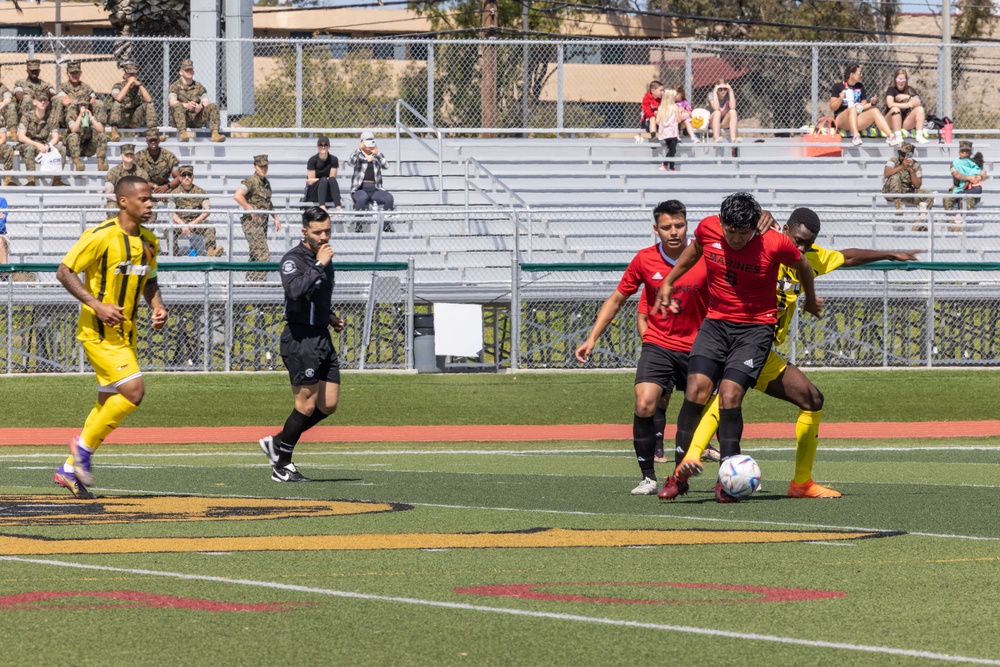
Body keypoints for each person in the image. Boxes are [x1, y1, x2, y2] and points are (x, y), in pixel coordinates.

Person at [677, 207, 923, 498]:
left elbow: (848, 256)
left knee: (811, 399)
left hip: (762, 347)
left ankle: (801, 483)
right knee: (725, 398)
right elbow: (742, 224)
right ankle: (685, 465)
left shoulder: (809, 259)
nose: (802, 247)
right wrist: (761, 213)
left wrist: (889, 254)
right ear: (784, 231)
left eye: (808, 242)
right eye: (798, 239)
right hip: (736, 336)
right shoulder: (764, 245)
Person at [653, 192, 821, 503]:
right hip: (716, 323)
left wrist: (810, 300)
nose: (736, 238)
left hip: (755, 329)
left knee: (730, 395)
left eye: (743, 232)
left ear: (754, 227)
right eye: (731, 231)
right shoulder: (708, 228)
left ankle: (726, 481)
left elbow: (805, 268)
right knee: (695, 390)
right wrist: (669, 281)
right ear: (722, 223)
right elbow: (693, 252)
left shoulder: (774, 243)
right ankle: (677, 475)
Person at [574, 200, 708, 495]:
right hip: (658, 342)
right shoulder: (644, 259)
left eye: (679, 226)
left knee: (710, 410)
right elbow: (617, 299)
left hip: (699, 345)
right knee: (644, 402)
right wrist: (592, 337)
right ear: (655, 229)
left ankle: (693, 471)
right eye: (666, 227)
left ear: (688, 224)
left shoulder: (705, 256)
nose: (673, 232)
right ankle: (648, 477)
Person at [53, 175, 166, 498]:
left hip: (125, 334)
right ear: (123, 202)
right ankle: (83, 450)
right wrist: (96, 304)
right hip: (98, 332)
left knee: (107, 406)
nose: (149, 204)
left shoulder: (149, 241)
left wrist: (157, 307)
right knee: (134, 392)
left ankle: (69, 469)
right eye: (143, 199)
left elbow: (149, 282)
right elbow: (64, 271)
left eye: (151, 199)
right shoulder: (100, 236)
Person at [258, 206, 346, 482]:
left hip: (321, 336)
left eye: (327, 231)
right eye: (317, 231)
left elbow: (316, 298)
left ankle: (277, 442)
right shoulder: (293, 259)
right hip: (300, 338)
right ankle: (282, 466)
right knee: (305, 405)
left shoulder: (325, 257)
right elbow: (294, 291)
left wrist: (329, 317)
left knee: (328, 404)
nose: (323, 236)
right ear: (304, 232)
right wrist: (319, 264)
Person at [233, 154, 282, 281]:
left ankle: (249, 288)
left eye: (265, 166)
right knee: (263, 255)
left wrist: (275, 217)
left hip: (262, 223)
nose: (263, 169)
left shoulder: (266, 183)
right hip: (252, 223)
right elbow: (238, 196)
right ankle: (258, 287)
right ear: (255, 167)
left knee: (255, 256)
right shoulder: (251, 181)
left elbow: (267, 202)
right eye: (260, 166)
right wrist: (250, 209)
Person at [830, 64, 900, 148]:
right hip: (841, 120)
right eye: (859, 73)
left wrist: (871, 104)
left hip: (856, 118)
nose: (861, 75)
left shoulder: (860, 87)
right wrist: (840, 98)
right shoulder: (838, 86)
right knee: (852, 109)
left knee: (875, 111)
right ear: (852, 74)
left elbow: (862, 107)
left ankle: (891, 136)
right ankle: (856, 136)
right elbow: (832, 107)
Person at [170, 164, 224, 257]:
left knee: (209, 226)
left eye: (189, 175)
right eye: (184, 175)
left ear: (193, 177)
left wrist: (193, 223)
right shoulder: (174, 193)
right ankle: (174, 253)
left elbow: (207, 210)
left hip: (196, 221)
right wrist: (183, 225)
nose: (187, 177)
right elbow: (171, 212)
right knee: (168, 229)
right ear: (180, 178)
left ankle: (211, 252)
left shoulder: (200, 192)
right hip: (180, 222)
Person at [168, 59, 226, 143]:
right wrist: (186, 105)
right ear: (181, 72)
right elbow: (172, 102)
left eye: (190, 69)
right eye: (186, 70)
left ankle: (215, 134)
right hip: (182, 118)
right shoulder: (175, 86)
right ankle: (183, 134)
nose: (189, 71)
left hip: (196, 118)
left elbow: (206, 101)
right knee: (178, 106)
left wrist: (201, 106)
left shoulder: (199, 86)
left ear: (193, 71)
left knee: (214, 106)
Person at [348, 131, 394, 232]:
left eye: (371, 141)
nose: (369, 144)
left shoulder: (376, 156)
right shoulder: (358, 154)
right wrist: (358, 149)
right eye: (367, 141)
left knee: (389, 198)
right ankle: (358, 225)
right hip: (359, 189)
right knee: (362, 198)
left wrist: (377, 154)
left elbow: (386, 166)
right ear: (362, 142)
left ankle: (386, 225)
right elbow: (351, 163)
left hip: (375, 189)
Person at [18, 93, 67, 187]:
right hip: (29, 144)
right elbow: (21, 137)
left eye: (45, 100)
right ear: (34, 102)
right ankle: (31, 180)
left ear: (48, 103)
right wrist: (36, 144)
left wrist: (48, 145)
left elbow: (55, 137)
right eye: (40, 100)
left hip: (44, 145)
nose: (43, 102)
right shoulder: (27, 117)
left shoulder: (51, 118)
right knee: (30, 148)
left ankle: (57, 180)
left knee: (62, 149)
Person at [882, 141, 933, 230]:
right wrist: (902, 166)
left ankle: (919, 222)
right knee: (895, 177)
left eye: (905, 155)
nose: (902, 156)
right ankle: (898, 207)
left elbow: (917, 186)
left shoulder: (916, 165)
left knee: (928, 195)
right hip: (890, 191)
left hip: (906, 191)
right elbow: (886, 174)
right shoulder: (894, 160)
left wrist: (911, 170)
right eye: (901, 154)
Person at [109, 62, 157, 142]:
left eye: (134, 75)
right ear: (125, 76)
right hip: (121, 119)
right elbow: (119, 98)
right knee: (117, 103)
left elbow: (149, 100)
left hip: (134, 119)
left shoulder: (139, 87)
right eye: (130, 75)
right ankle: (114, 133)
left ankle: (154, 133)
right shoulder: (117, 86)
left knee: (149, 105)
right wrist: (128, 84)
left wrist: (140, 85)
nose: (133, 77)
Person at [943, 140, 987, 219]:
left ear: (970, 152)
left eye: (967, 151)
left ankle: (960, 222)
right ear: (959, 152)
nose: (964, 153)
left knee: (964, 204)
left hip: (972, 187)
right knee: (946, 200)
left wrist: (979, 177)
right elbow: (956, 174)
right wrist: (969, 178)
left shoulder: (975, 162)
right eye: (962, 151)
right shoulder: (955, 162)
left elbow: (983, 174)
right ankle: (951, 222)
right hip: (958, 186)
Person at [56, 61, 107, 130]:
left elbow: (92, 100)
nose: (74, 75)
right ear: (67, 74)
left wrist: (72, 100)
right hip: (69, 116)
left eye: (76, 72)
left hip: (85, 113)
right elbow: (64, 102)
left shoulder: (86, 87)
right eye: (72, 73)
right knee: (70, 105)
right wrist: (82, 101)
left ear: (80, 73)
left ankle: (100, 127)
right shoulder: (63, 87)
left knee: (99, 103)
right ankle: (59, 128)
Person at [885, 68, 929, 145]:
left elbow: (918, 103)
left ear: (906, 80)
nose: (901, 82)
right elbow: (890, 104)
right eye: (899, 79)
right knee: (895, 109)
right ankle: (898, 137)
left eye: (903, 79)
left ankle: (919, 135)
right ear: (895, 80)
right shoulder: (891, 89)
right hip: (891, 120)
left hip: (905, 121)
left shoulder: (910, 90)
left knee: (920, 109)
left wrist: (907, 97)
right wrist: (906, 105)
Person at [66, 98, 109, 172]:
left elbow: (101, 130)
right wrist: (80, 115)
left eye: (85, 105)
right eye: (81, 105)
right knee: (73, 136)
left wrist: (91, 118)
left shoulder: (91, 114)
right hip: (73, 148)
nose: (83, 107)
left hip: (87, 148)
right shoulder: (72, 113)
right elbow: (73, 129)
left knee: (102, 136)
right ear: (77, 106)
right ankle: (78, 163)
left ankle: (101, 163)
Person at [135, 128, 181, 195]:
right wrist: (155, 187)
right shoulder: (139, 156)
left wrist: (166, 187)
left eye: (155, 140)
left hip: (165, 188)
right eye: (151, 140)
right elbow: (136, 178)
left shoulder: (168, 156)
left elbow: (178, 177)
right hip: (146, 187)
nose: (153, 142)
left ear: (159, 140)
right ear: (147, 141)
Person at [12, 59, 56, 124]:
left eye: (36, 71)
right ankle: (26, 124)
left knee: (57, 99)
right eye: (32, 71)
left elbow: (53, 94)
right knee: (27, 98)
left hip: (43, 110)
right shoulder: (20, 83)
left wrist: (48, 93)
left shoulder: (46, 84)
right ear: (27, 71)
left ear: (39, 71)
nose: (34, 72)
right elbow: (19, 96)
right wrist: (35, 96)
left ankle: (54, 124)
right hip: (27, 111)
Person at [304, 136, 343, 210]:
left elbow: (332, 178)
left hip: (328, 191)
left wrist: (323, 180)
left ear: (329, 146)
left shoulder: (333, 159)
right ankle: (322, 206)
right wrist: (322, 180)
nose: (323, 147)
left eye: (325, 145)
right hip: (314, 192)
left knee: (331, 180)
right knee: (324, 180)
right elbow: (310, 181)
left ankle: (338, 207)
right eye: (320, 145)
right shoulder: (312, 160)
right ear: (317, 146)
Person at [655, 88, 681, 172]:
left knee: (672, 149)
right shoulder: (675, 107)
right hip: (673, 132)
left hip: (665, 132)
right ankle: (666, 164)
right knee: (672, 150)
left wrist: (664, 123)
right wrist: (679, 113)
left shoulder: (660, 108)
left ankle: (671, 167)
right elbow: (679, 120)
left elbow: (657, 121)